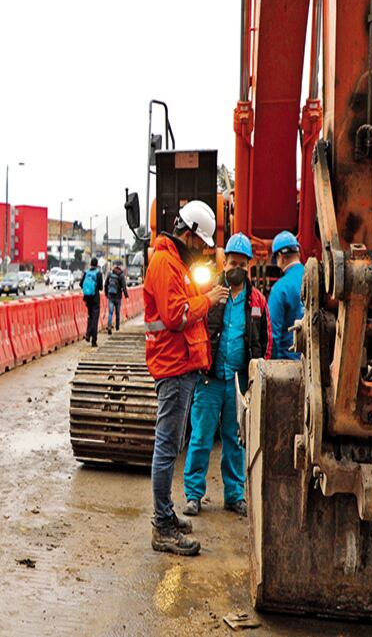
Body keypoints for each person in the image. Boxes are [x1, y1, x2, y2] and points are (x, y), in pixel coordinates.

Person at [144, 200, 226, 556]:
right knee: (166, 449)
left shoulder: (176, 263)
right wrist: (208, 300)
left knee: (171, 446)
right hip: (173, 367)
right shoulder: (164, 263)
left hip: (182, 365)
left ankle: (166, 515)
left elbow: (186, 303)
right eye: (201, 243)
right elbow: (177, 315)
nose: (203, 250)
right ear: (189, 234)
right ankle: (162, 525)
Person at [183, 233, 271, 518]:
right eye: (233, 262)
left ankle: (234, 495)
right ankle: (193, 494)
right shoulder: (209, 292)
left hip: (238, 384)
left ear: (249, 266)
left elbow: (265, 339)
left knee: (235, 441)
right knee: (201, 437)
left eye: (243, 265)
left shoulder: (256, 300)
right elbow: (193, 324)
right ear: (224, 262)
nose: (237, 268)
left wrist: (257, 376)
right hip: (209, 380)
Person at [267, 231, 305, 360]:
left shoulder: (280, 289)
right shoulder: (317, 280)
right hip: (314, 364)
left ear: (280, 257)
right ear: (298, 253)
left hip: (288, 364)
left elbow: (273, 334)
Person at [81, 259, 103, 346]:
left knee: (90, 317)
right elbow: (101, 287)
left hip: (87, 298)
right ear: (97, 264)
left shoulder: (86, 273)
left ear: (90, 264)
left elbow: (81, 283)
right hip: (95, 299)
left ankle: (87, 334)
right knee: (95, 319)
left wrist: (87, 289)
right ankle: (94, 341)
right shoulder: (98, 273)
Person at [105, 261, 129, 334]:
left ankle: (109, 326)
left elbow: (106, 284)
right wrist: (126, 296)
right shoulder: (121, 275)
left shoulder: (110, 274)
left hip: (110, 296)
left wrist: (106, 293)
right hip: (118, 297)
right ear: (120, 266)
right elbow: (124, 287)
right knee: (117, 313)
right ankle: (117, 328)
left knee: (110, 313)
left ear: (114, 266)